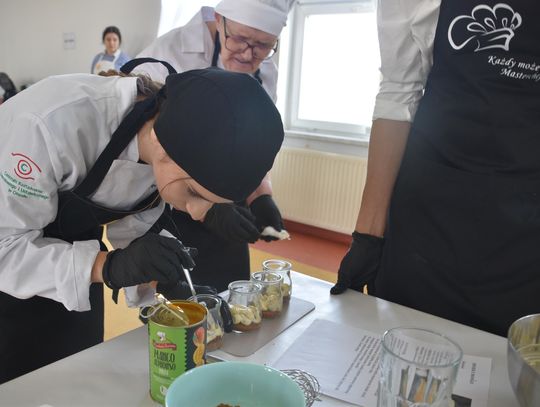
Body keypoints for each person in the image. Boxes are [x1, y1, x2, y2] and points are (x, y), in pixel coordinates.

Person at [0, 63, 284, 383]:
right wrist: (108, 266)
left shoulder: (159, 141)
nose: (195, 213)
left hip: (72, 249)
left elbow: (133, 220)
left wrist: (162, 279)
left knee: (78, 369)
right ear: (162, 145)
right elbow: (5, 249)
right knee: (20, 379)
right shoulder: (50, 125)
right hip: (9, 260)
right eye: (193, 193)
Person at [331, 0, 540, 337]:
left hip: (525, 236)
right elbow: (398, 93)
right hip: (426, 222)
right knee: (405, 344)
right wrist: (368, 236)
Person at [135, 0, 293, 291]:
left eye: (263, 45)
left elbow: (252, 143)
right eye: (240, 39)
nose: (248, 54)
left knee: (234, 294)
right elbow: (140, 148)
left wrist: (261, 195)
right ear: (219, 19)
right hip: (169, 201)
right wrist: (206, 207)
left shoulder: (266, 72)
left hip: (227, 201)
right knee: (181, 302)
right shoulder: (166, 55)